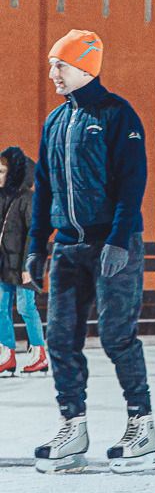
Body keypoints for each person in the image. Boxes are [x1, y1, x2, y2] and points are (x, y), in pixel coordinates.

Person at [30, 30, 155, 473]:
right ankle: (74, 425)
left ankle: (141, 424)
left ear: (86, 66)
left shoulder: (117, 114)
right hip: (68, 246)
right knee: (60, 338)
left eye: (59, 65)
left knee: (116, 335)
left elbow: (132, 181)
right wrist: (36, 244)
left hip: (112, 245)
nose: (52, 74)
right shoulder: (55, 121)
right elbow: (43, 186)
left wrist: (121, 239)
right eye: (51, 65)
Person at [0, 146, 46, 377]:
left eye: (1, 171)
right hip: (4, 264)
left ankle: (39, 354)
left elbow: (35, 232)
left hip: (23, 265)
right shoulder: (3, 198)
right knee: (0, 307)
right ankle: (6, 354)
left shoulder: (29, 198)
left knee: (27, 306)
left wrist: (30, 265)